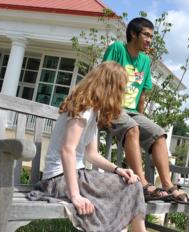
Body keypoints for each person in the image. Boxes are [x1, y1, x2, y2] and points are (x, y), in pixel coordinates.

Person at [38, 62, 146, 232]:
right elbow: (67, 149)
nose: (122, 94)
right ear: (110, 86)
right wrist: (75, 196)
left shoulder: (93, 111)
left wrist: (118, 169)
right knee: (132, 187)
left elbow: (92, 154)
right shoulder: (84, 107)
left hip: (77, 175)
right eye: (121, 88)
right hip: (59, 179)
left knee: (131, 184)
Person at [102, 17, 188, 202]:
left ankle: (168, 184)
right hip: (111, 106)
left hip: (132, 111)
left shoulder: (145, 61)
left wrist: (141, 117)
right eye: (146, 35)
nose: (149, 40)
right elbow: (102, 78)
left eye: (151, 36)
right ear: (133, 33)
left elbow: (143, 95)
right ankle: (142, 183)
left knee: (159, 133)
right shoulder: (118, 49)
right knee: (132, 127)